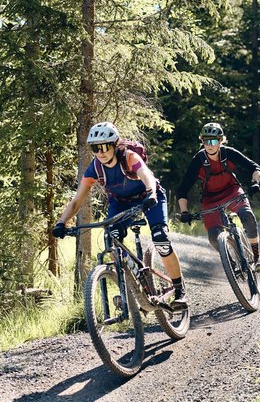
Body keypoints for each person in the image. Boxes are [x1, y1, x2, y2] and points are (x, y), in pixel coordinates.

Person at [52, 121, 187, 309]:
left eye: (105, 146)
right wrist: (61, 222)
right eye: (95, 148)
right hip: (121, 202)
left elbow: (146, 174)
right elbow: (76, 201)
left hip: (148, 197)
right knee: (112, 239)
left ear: (115, 144)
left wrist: (152, 193)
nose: (101, 152)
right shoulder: (94, 169)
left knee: (161, 240)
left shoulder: (128, 157)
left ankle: (180, 290)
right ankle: (130, 288)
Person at [176, 122, 260, 272]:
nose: (209, 145)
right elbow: (183, 189)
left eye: (213, 141)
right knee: (213, 236)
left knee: (247, 216)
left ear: (220, 141)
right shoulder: (198, 160)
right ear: (202, 141)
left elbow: (255, 168)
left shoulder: (228, 153)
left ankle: (257, 258)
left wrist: (255, 183)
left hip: (232, 191)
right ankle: (230, 264)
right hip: (210, 199)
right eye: (206, 141)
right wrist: (184, 212)